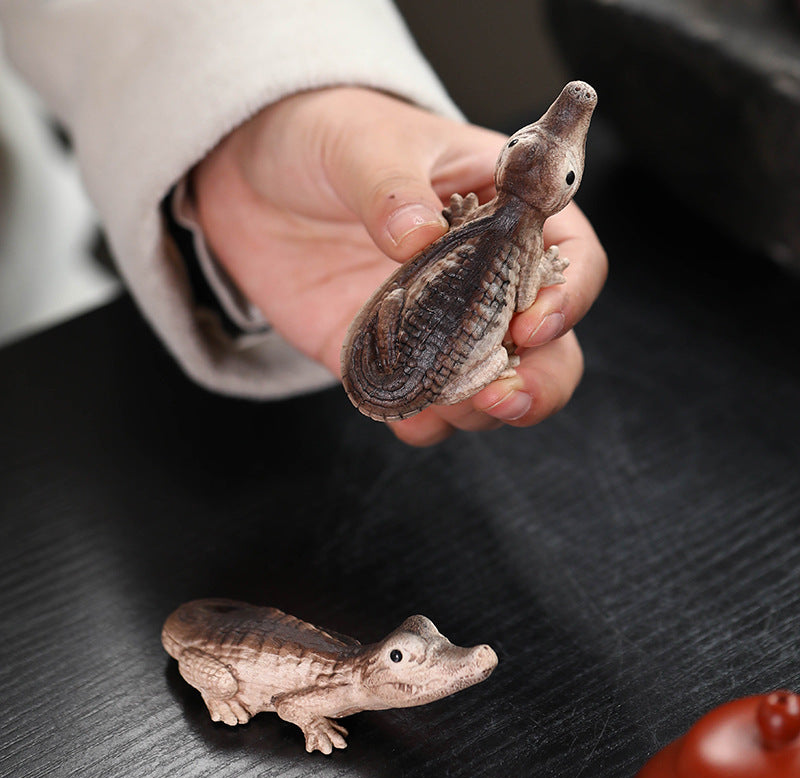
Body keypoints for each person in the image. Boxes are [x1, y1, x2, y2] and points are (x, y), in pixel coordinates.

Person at [0, 0, 606, 446]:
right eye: (525, 141)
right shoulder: (508, 246)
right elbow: (521, 293)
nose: (571, 105)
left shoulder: (469, 226)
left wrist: (283, 108)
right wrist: (535, 278)